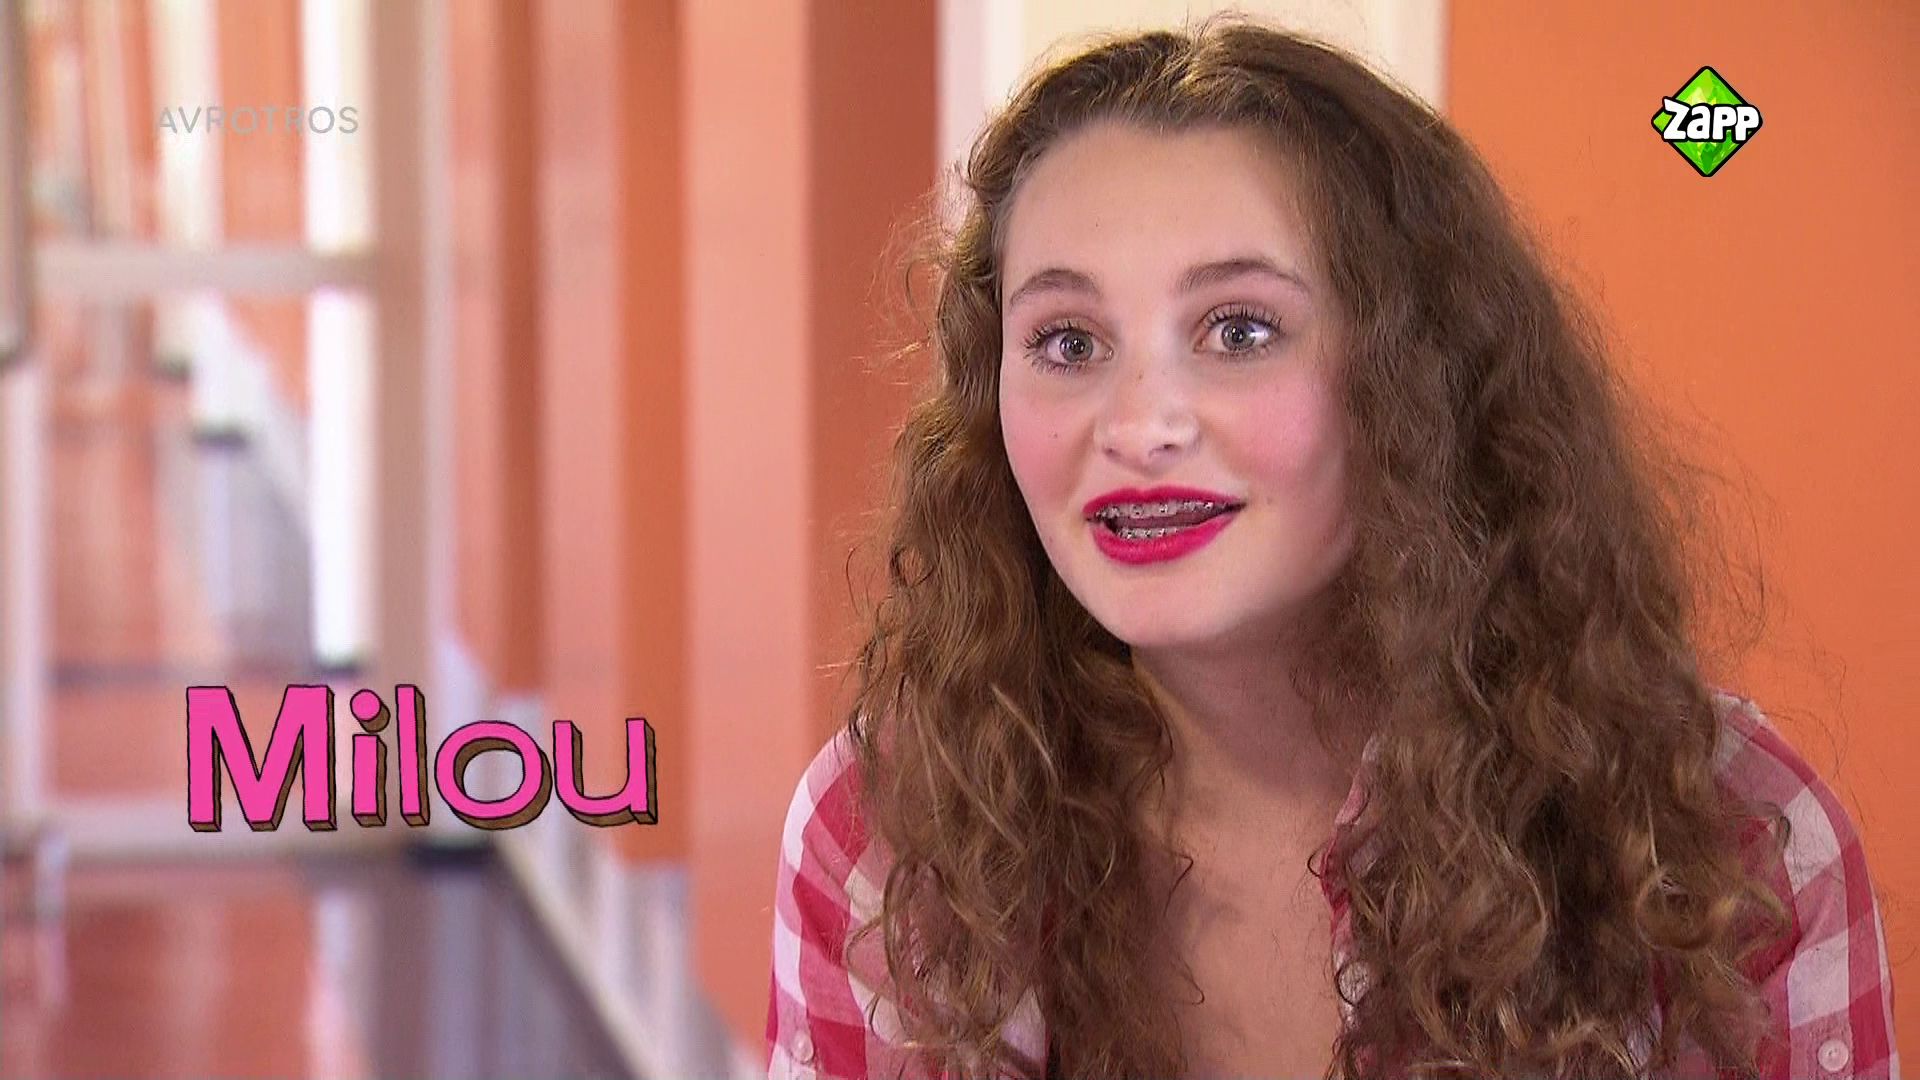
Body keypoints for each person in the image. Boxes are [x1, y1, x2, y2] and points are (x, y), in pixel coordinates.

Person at [765, 17, 1899, 1080]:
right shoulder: (886, 838)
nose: (1139, 425)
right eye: (1067, 342)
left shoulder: (1733, 851)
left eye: (1240, 330)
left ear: (1415, 383)